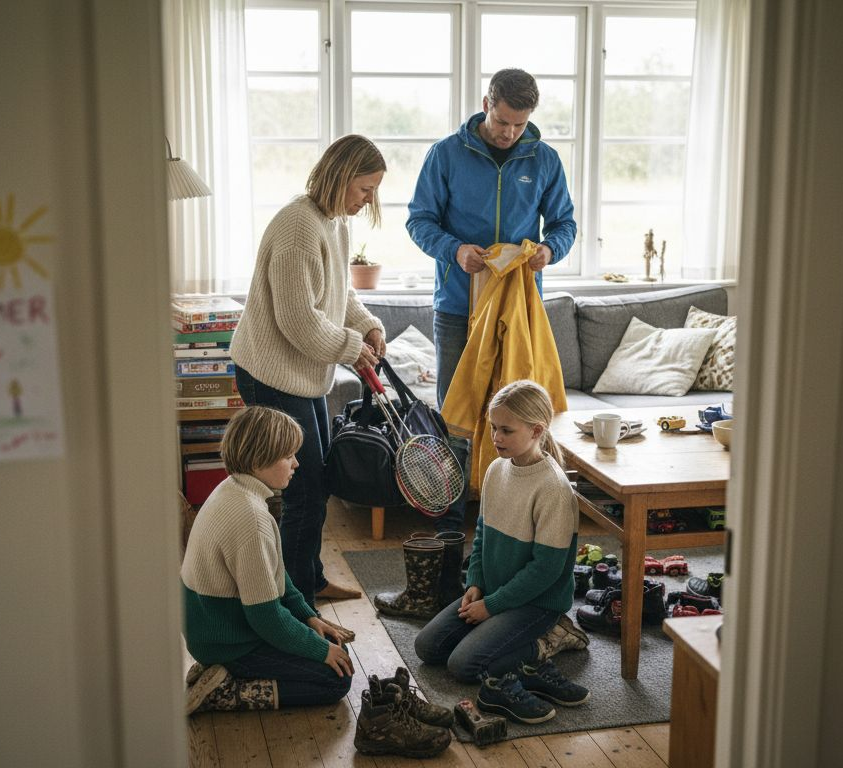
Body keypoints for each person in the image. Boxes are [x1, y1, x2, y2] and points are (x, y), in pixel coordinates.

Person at [407, 68, 577, 533]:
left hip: (518, 311)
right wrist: (455, 250)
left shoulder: (544, 159)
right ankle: (450, 529)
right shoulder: (446, 154)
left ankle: (508, 524)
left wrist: (549, 250)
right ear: (486, 104)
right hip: (457, 308)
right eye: (502, 121)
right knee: (457, 418)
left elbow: (564, 224)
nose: (509, 133)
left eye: (519, 125)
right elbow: (419, 220)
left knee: (518, 419)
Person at [230, 134, 388, 605]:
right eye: (365, 189)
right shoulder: (298, 228)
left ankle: (308, 581)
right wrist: (351, 348)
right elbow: (298, 320)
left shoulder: (334, 223)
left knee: (316, 482)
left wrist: (367, 325)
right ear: (341, 177)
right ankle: (295, 599)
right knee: (305, 489)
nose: (369, 200)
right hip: (271, 374)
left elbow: (340, 295)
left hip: (303, 375)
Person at [412, 380, 588, 722]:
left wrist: (491, 607)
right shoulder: (495, 470)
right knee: (427, 647)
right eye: (494, 427)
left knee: (463, 665)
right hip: (494, 591)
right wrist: (475, 583)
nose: (496, 437)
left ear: (536, 430)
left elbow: (545, 571)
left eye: (506, 430)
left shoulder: (553, 489)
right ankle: (505, 637)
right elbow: (481, 536)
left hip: (536, 603)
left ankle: (547, 643)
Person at [183, 406, 356, 714]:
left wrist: (308, 617)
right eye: (288, 456)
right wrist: (318, 649)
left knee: (332, 651)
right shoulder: (251, 517)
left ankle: (219, 671)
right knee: (335, 680)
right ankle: (224, 691)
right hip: (230, 642)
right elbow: (266, 618)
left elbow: (274, 573)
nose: (296, 463)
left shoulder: (233, 488)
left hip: (213, 629)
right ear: (257, 460)